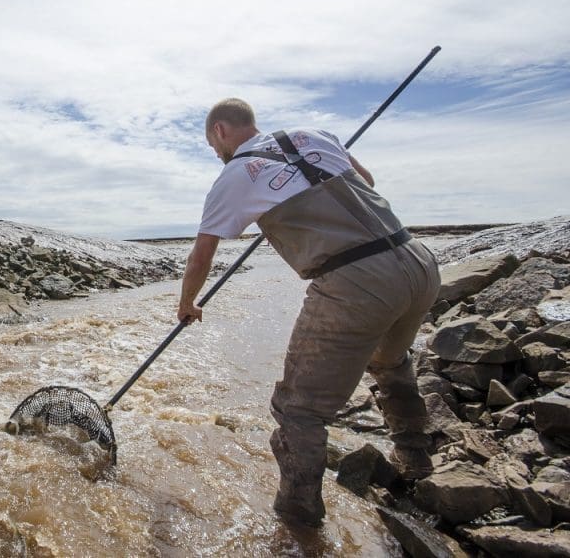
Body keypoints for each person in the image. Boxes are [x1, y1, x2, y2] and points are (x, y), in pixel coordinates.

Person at [177, 98, 440, 527]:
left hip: (355, 281)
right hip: (416, 261)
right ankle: (415, 459)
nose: (215, 152)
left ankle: (299, 522)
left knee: (298, 409)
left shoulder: (234, 176)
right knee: (390, 362)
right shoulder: (313, 135)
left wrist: (187, 303)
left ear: (220, 131)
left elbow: (201, 256)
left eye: (212, 144)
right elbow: (368, 181)